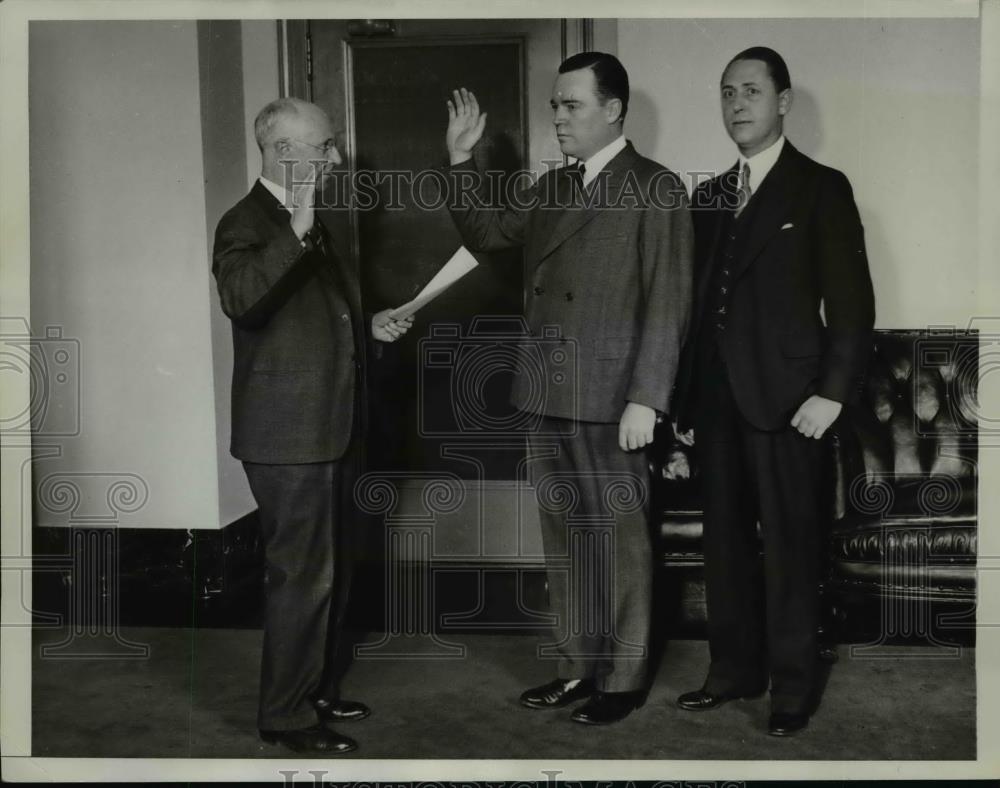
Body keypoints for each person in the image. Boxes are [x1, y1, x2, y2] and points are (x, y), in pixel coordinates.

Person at [444, 52, 693, 725]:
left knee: (619, 537)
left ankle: (625, 677)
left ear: (613, 109)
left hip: (614, 399)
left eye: (571, 105)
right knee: (566, 540)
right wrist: (462, 163)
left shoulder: (656, 187)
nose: (557, 117)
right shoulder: (553, 188)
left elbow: (669, 301)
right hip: (546, 390)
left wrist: (649, 397)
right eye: (555, 105)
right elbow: (490, 234)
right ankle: (578, 665)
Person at [672, 47, 875, 736]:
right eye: (727, 91)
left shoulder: (821, 187)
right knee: (723, 544)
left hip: (793, 403)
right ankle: (732, 670)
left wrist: (831, 395)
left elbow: (852, 307)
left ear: (783, 102)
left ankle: (791, 689)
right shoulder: (708, 197)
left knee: (791, 548)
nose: (737, 104)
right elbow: (700, 310)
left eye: (752, 91)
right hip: (720, 403)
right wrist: (686, 407)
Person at [212, 97, 412, 753]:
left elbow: (313, 318)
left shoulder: (313, 219)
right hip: (287, 433)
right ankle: (286, 715)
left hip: (332, 423)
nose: (335, 157)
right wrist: (296, 230)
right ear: (285, 152)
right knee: (301, 573)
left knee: (333, 571)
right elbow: (243, 298)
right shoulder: (247, 221)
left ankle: (314, 688)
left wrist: (370, 325)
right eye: (324, 146)